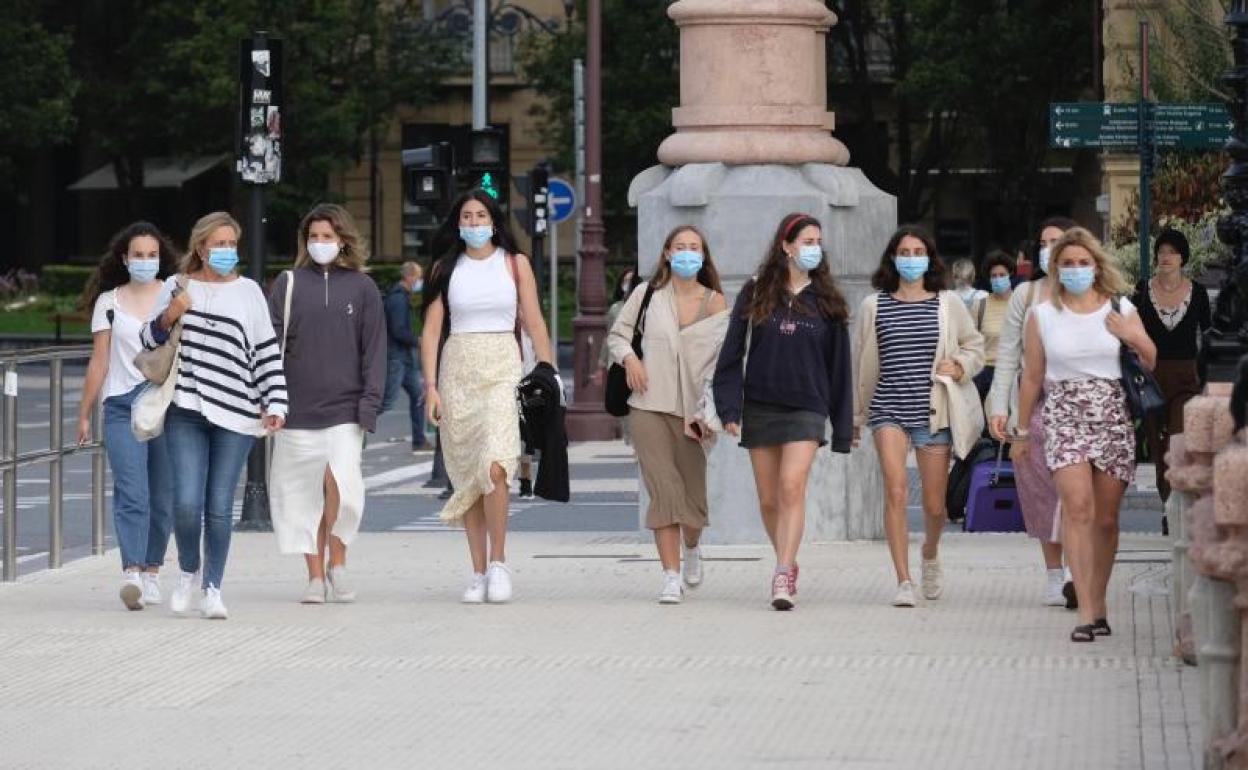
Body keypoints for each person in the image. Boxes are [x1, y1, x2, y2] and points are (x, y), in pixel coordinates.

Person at [142, 211, 288, 619]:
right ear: (201, 247)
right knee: (187, 504)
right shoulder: (175, 285)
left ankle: (212, 587)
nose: (225, 252)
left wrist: (275, 402)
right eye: (218, 244)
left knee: (220, 506)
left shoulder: (249, 292)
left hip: (236, 412)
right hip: (185, 407)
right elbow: (146, 339)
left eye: (231, 245)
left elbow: (264, 350)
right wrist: (170, 314)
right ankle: (188, 571)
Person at [1015, 227, 1156, 642]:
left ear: (1097, 266)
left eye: (1082, 262)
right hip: (1063, 415)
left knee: (1107, 518)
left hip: (1112, 414)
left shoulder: (1120, 307)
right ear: (1056, 268)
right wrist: (1022, 432)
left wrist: (1130, 335)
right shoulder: (1041, 314)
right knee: (1077, 508)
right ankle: (1086, 613)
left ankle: (1099, 596)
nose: (1075, 269)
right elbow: (1032, 377)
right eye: (1067, 263)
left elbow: (1150, 359)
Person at [420, 190, 554, 604]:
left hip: (502, 370)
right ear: (458, 224)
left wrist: (548, 373)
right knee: (469, 476)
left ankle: (499, 563)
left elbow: (533, 320)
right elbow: (430, 331)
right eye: (467, 216)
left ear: (494, 221)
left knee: (496, 466)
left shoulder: (515, 265)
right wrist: (431, 387)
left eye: (481, 215)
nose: (475, 223)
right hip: (457, 370)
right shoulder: (445, 268)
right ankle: (476, 571)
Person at [714, 214, 853, 610]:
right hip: (761, 404)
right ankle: (788, 561)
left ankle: (781, 571)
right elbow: (731, 353)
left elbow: (839, 368)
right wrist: (728, 407)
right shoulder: (756, 292)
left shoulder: (827, 301)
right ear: (786, 245)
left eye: (817, 241)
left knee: (792, 487)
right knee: (769, 499)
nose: (814, 248)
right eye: (807, 240)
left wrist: (843, 426)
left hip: (808, 406)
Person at [854, 225, 984, 608]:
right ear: (892, 258)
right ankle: (903, 579)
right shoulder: (873, 306)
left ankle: (929, 552)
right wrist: (857, 417)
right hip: (887, 408)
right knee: (894, 490)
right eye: (904, 253)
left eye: (918, 252)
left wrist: (959, 365)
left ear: (930, 259)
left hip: (934, 410)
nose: (911, 260)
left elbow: (974, 346)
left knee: (934, 506)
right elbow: (861, 364)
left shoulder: (947, 303)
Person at [268, 204, 386, 604]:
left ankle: (339, 563)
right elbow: (270, 349)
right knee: (302, 497)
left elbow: (374, 350)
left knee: (344, 488)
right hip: (295, 411)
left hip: (345, 410)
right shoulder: (287, 284)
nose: (321, 243)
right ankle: (315, 577)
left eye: (328, 237)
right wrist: (272, 401)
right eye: (314, 237)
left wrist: (369, 405)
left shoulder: (363, 288)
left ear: (343, 240)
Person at [611, 225, 728, 605]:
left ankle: (691, 548)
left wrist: (713, 412)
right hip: (647, 405)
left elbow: (722, 364)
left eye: (695, 247)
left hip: (693, 413)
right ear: (666, 253)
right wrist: (630, 358)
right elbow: (618, 335)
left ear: (704, 255)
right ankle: (670, 575)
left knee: (692, 500)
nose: (687, 253)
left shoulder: (715, 303)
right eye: (681, 247)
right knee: (663, 490)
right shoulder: (647, 295)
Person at [77, 222, 178, 610]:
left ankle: (153, 571)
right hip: (120, 405)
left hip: (165, 405)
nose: (145, 261)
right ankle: (132, 571)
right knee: (131, 492)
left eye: (152, 255)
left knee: (163, 495)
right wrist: (84, 413)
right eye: (138, 254)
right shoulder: (109, 302)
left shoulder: (174, 297)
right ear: (124, 258)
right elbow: (99, 362)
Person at [988, 216, 1076, 607]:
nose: (1049, 248)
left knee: (1076, 493)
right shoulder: (1026, 295)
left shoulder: (1090, 293)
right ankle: (1055, 575)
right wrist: (999, 408)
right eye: (1044, 242)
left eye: (1056, 241)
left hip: (1077, 405)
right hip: (1033, 407)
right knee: (1041, 492)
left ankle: (1078, 570)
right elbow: (1007, 355)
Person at [1132, 228, 1212, 505]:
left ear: (1182, 257)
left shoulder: (1198, 293)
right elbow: (1131, 332)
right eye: (1161, 251)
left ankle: (1179, 501)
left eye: (1172, 251)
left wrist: (1207, 376)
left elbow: (1209, 334)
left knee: (1177, 441)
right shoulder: (1142, 291)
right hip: (1151, 376)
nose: (1165, 257)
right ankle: (1168, 504)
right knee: (1157, 445)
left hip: (1186, 377)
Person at [381, 261, 431, 452]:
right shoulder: (398, 299)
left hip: (403, 357)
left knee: (418, 396)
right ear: (409, 276)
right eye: (418, 277)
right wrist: (417, 341)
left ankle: (419, 440)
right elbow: (398, 330)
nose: (419, 282)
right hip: (396, 357)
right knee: (386, 401)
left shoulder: (401, 297)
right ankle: (357, 431)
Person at [970, 250, 1016, 399]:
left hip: (1013, 373)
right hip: (985, 373)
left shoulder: (1021, 303)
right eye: (994, 276)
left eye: (1002, 275)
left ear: (1010, 275)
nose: (998, 279)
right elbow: (969, 341)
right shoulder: (980, 305)